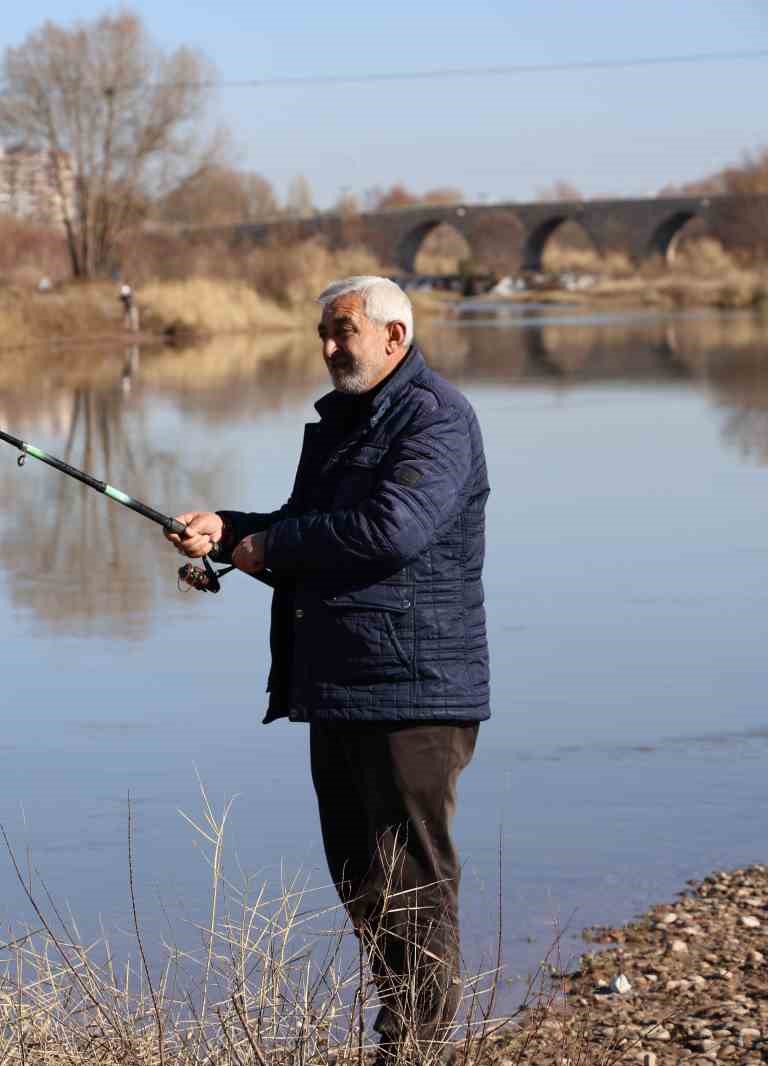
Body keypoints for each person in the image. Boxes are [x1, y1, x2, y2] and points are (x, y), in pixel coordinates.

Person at [165, 275, 489, 1063]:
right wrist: (232, 529)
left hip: (414, 688)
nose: (329, 346)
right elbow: (318, 530)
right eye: (324, 331)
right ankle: (400, 1035)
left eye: (342, 330)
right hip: (341, 682)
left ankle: (416, 1049)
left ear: (393, 337)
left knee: (411, 878)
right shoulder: (347, 420)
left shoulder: (435, 418)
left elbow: (390, 530)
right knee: (359, 877)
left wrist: (271, 547)